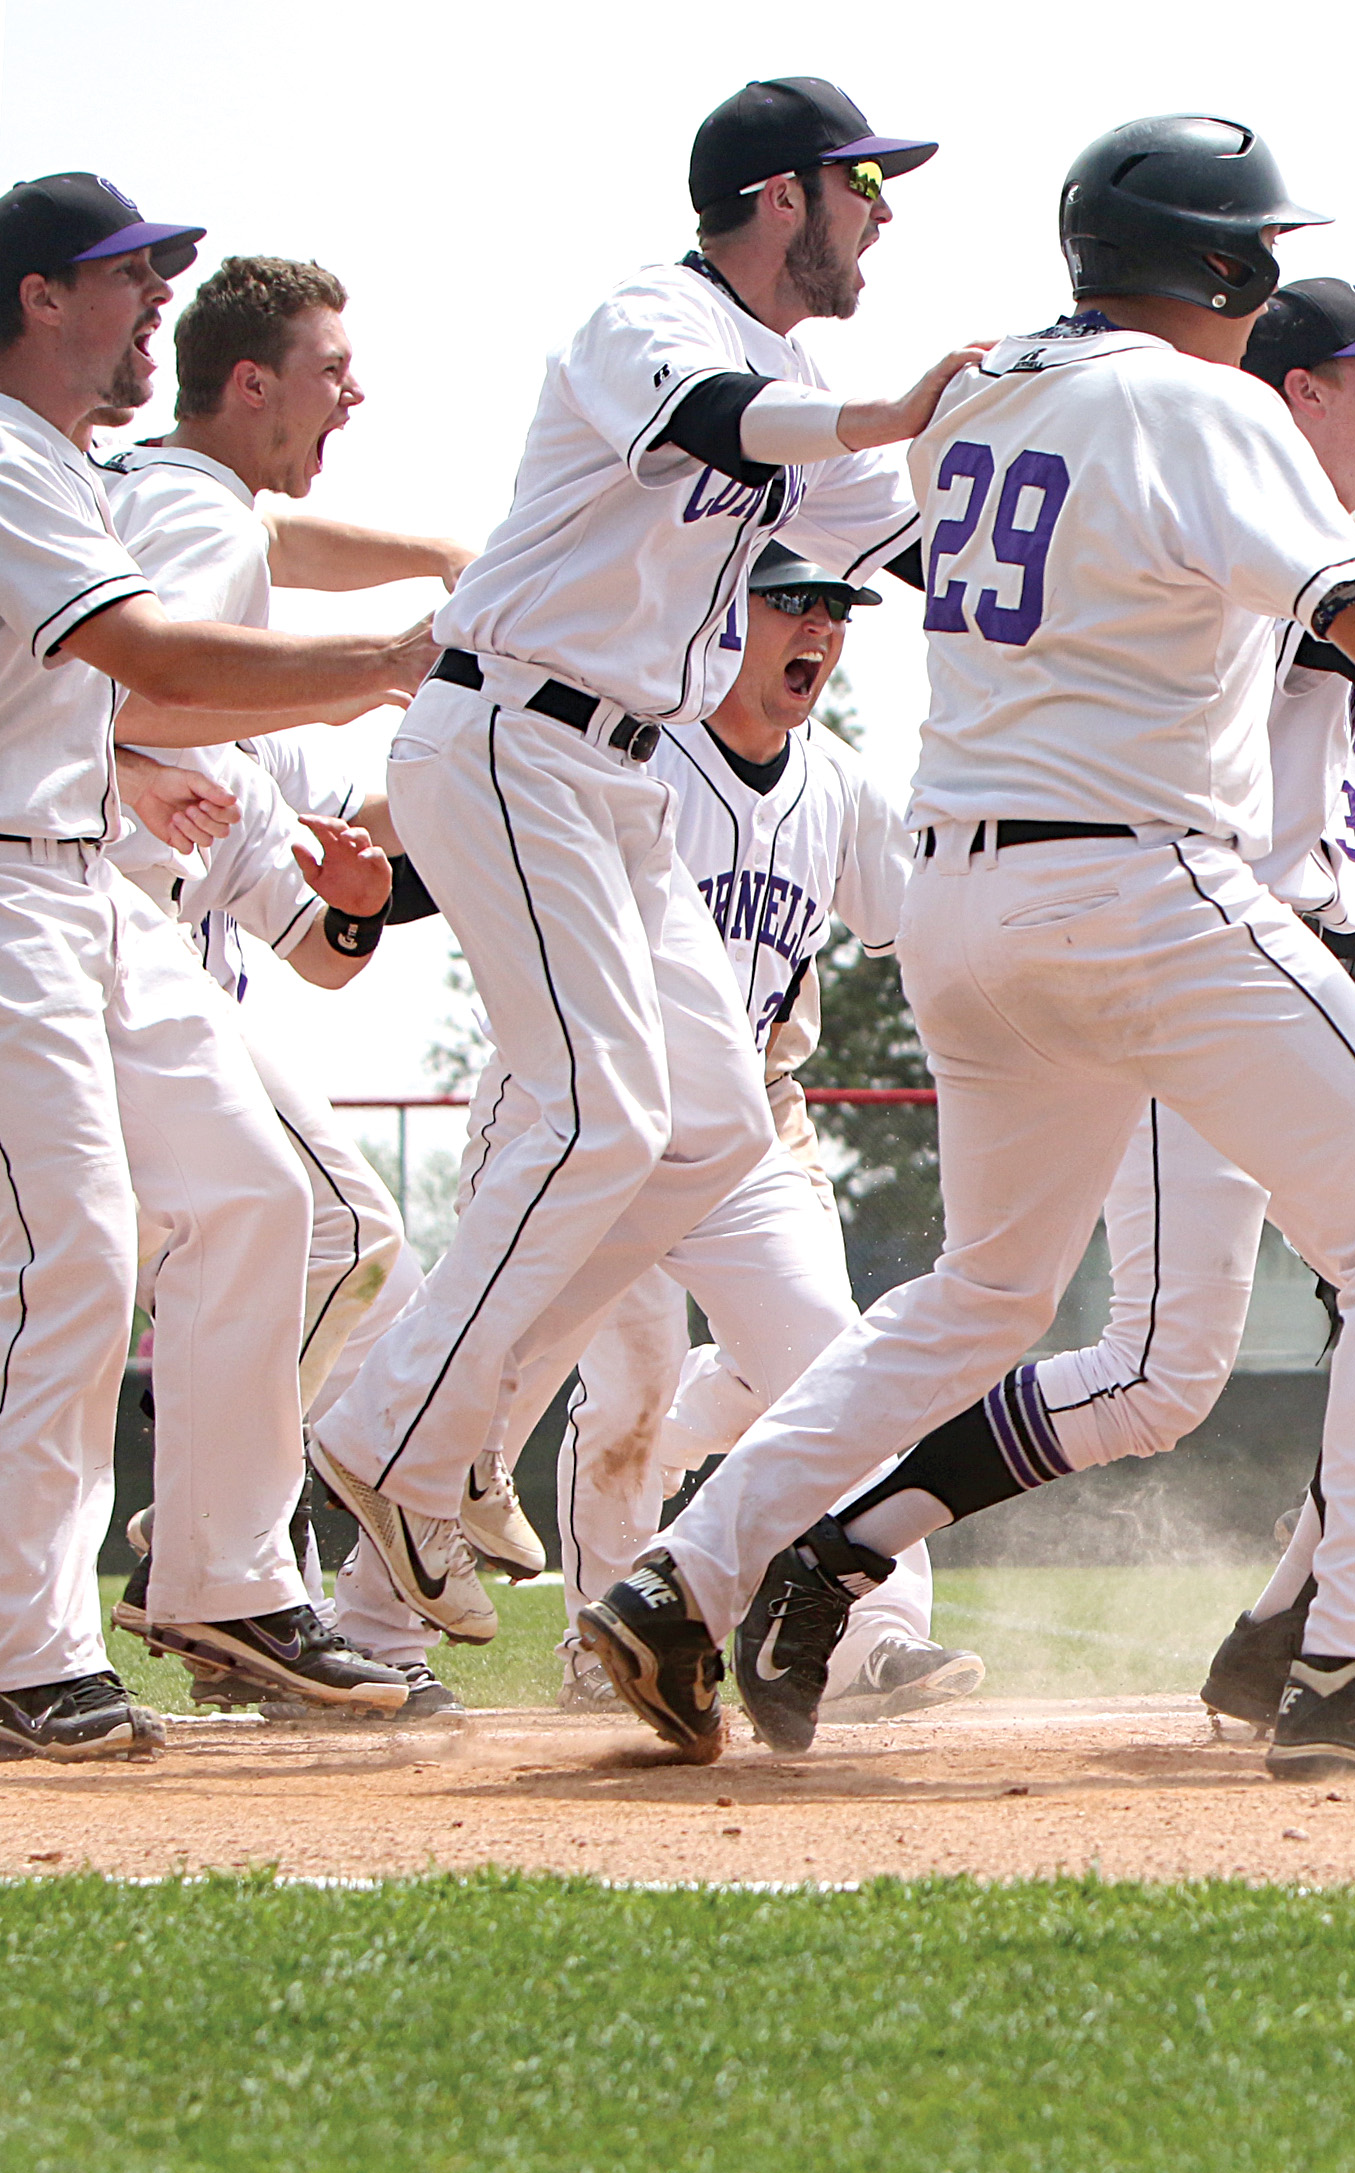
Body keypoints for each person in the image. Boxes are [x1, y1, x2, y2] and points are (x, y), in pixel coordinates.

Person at [585, 115, 1355, 1784]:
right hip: (1139, 886)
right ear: (1221, 266)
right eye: (1252, 256)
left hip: (967, 903)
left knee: (982, 1293)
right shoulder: (1203, 400)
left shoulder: (981, 392)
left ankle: (687, 1574)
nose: (1260, 289)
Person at [303, 77, 975, 1646]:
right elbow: (701, 425)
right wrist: (890, 411)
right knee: (606, 1110)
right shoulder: (645, 314)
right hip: (504, 732)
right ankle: (396, 1435)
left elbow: (919, 535)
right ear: (780, 195)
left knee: (710, 1115)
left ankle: (431, 1425)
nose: (883, 212)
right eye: (862, 183)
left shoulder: (799, 371)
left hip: (606, 769)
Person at [0, 172, 431, 1758]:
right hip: (9, 893)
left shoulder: (62, 466)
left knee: (265, 1202)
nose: (153, 303)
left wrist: (132, 767)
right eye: (125, 275)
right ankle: (20, 1644)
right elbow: (157, 660)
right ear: (40, 297)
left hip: (79, 882)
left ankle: (228, 1576)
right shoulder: (10, 458)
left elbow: (116, 688)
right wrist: (389, 663)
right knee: (72, 1257)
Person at [531, 542, 975, 1725]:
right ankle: (597, 1630)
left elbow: (923, 926)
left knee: (834, 1355)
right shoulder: (640, 757)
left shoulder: (832, 783)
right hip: (609, 1114)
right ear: (716, 615)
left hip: (756, 1124)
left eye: (834, 608)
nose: (817, 630)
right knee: (619, 1396)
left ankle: (871, 1627)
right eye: (789, 602)